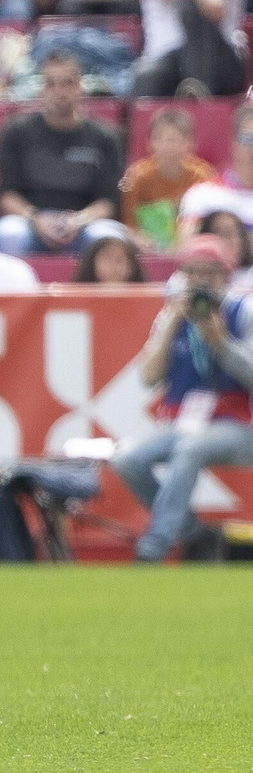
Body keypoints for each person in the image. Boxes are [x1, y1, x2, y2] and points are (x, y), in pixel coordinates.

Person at [116, 233, 253, 561]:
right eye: (193, 272)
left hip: (237, 422)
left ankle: (153, 547)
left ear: (225, 275)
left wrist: (221, 343)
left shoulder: (242, 311)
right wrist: (171, 324)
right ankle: (195, 535)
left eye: (209, 272)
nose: (200, 280)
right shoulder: (172, 313)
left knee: (190, 448)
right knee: (127, 459)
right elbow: (149, 378)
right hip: (184, 421)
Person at [0, 54, 124, 254]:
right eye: (51, 84)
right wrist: (36, 219)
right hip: (30, 219)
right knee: (9, 234)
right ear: (41, 89)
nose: (59, 92)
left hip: (84, 222)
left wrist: (79, 220)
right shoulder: (16, 132)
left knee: (106, 237)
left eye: (67, 83)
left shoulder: (105, 137)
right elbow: (7, 194)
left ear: (80, 86)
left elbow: (108, 201)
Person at [121, 108, 214, 251]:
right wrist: (140, 239)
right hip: (148, 247)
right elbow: (129, 224)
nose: (166, 146)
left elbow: (209, 221)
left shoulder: (202, 176)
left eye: (173, 139)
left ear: (190, 143)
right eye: (159, 139)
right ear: (149, 143)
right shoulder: (137, 176)